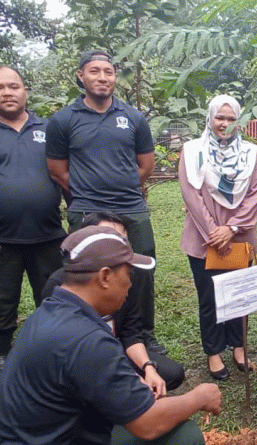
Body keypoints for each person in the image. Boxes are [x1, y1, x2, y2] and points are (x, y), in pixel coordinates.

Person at [0, 225, 221, 445]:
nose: (130, 286)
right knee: (185, 440)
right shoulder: (88, 340)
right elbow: (149, 425)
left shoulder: (52, 311)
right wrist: (200, 397)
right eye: (128, 275)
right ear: (105, 277)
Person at [46, 49, 167, 355]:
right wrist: (90, 193)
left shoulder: (132, 117)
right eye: (95, 71)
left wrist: (122, 189)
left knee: (141, 271)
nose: (102, 78)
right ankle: (93, 334)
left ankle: (142, 335)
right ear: (81, 76)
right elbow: (58, 170)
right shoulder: (63, 120)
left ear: (115, 76)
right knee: (90, 271)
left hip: (131, 208)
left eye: (108, 72)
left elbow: (146, 165)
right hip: (86, 208)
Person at [0, 65, 66, 376]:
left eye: (14, 86)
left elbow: (64, 176)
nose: (7, 92)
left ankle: (51, 347)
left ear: (25, 91)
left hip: (48, 234)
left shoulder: (50, 128)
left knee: (53, 296)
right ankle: (1, 353)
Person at [41, 212, 185, 393]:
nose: (117, 245)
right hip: (82, 363)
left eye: (122, 240)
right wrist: (128, 378)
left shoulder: (131, 275)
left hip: (117, 351)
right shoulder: (61, 286)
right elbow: (66, 352)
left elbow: (131, 333)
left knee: (171, 373)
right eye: (107, 238)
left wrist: (148, 367)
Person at [179, 94, 257, 381]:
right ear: (210, 118)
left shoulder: (252, 154)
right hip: (204, 238)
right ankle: (214, 352)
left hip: (240, 237)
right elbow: (191, 195)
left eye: (231, 119)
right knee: (209, 297)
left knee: (239, 293)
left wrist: (231, 228)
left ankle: (239, 347)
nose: (225, 124)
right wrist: (214, 231)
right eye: (220, 117)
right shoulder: (192, 151)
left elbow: (255, 194)